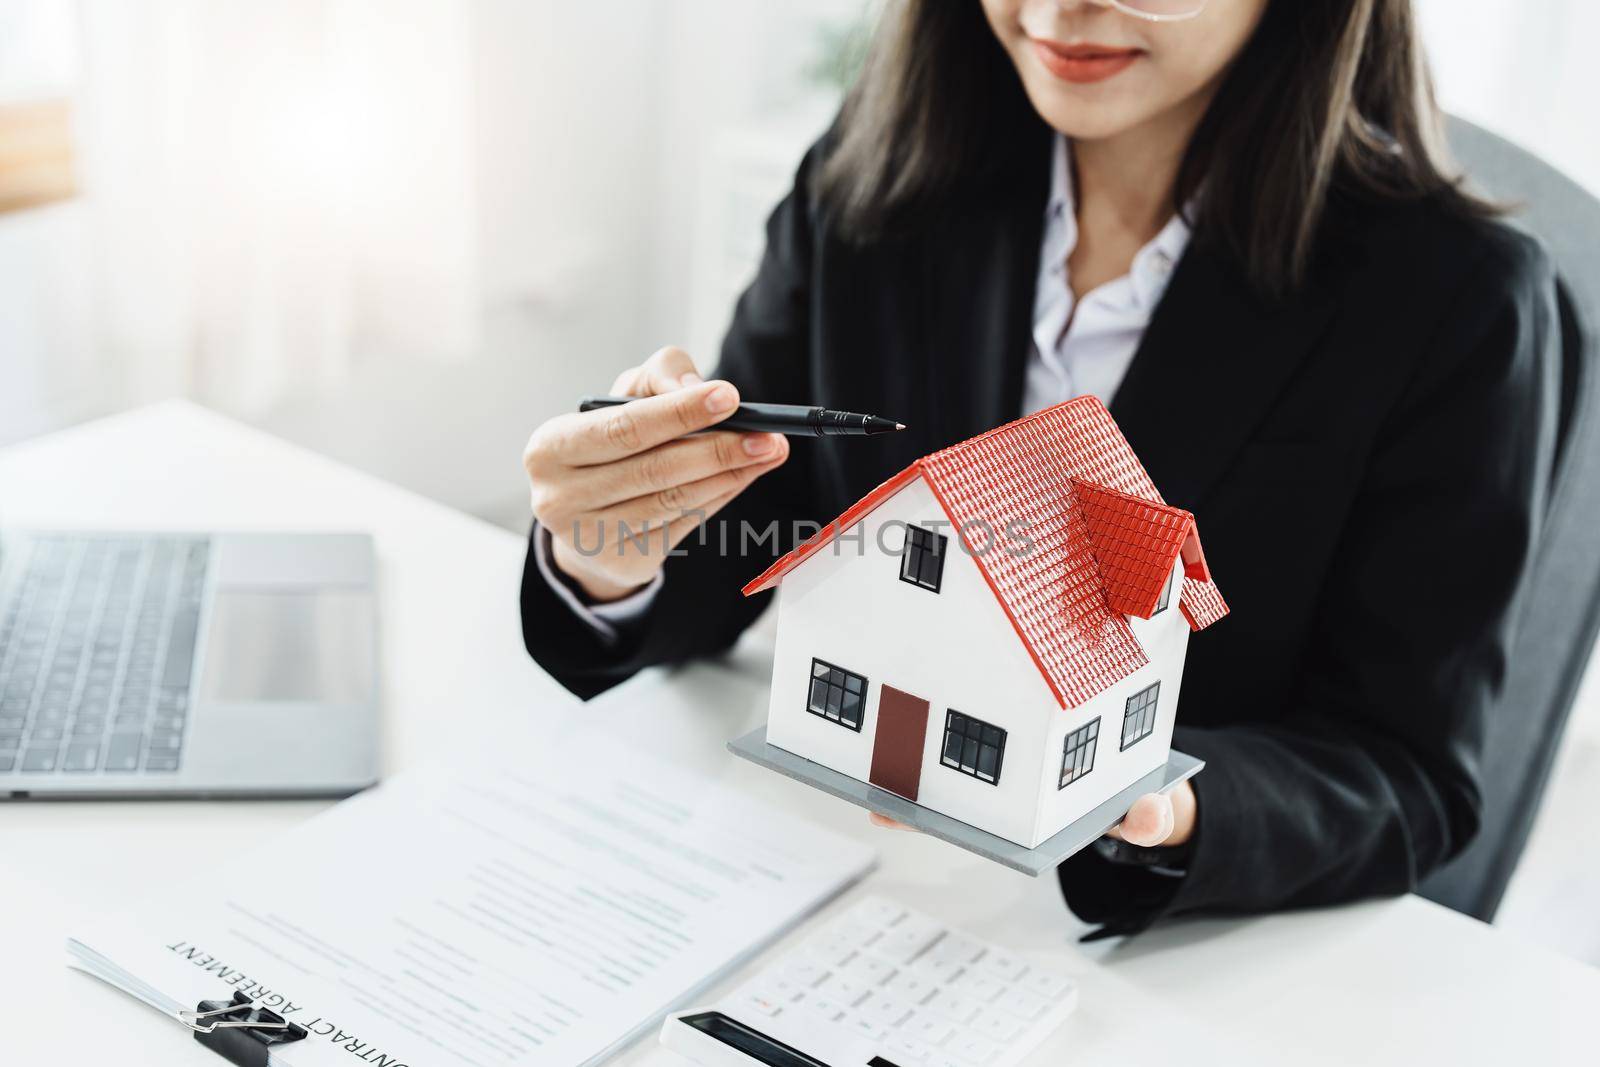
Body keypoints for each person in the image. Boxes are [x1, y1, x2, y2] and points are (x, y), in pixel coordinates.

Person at [519, 0, 1557, 937]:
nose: (1064, 7)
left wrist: (1156, 804)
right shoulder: (874, 178)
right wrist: (609, 545)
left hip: (1156, 950)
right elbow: (762, 523)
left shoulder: (1452, 298)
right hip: (834, 876)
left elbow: (1409, 769)